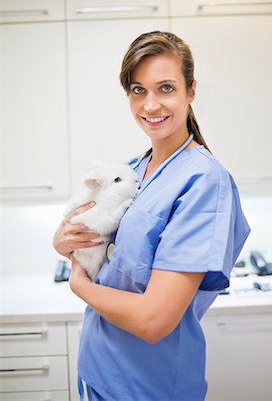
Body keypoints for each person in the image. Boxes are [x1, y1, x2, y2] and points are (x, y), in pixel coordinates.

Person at [53, 31, 251, 401]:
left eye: (165, 88)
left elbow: (153, 320)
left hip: (148, 386)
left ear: (191, 91)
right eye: (138, 90)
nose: (150, 105)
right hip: (100, 374)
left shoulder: (203, 181)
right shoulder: (134, 168)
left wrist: (80, 286)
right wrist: (61, 241)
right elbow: (89, 236)